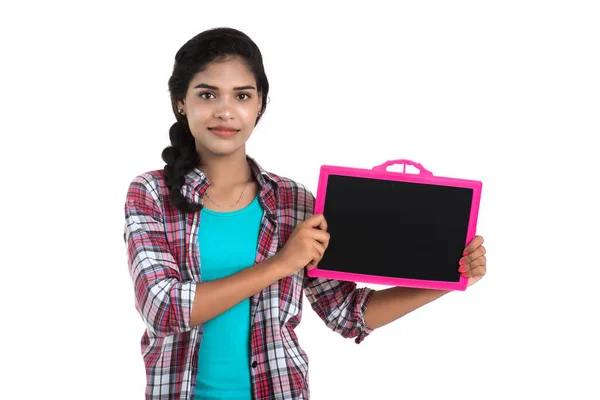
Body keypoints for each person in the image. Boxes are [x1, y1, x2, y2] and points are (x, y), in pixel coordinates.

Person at [123, 27, 487, 400]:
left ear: (260, 103)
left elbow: (347, 313)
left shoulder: (294, 202)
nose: (226, 111)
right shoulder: (152, 193)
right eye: (207, 94)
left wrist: (446, 279)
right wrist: (281, 264)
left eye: (242, 95)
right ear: (181, 101)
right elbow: (163, 308)